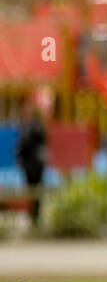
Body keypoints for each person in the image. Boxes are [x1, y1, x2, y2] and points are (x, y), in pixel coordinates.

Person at [15, 97, 48, 226]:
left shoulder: (34, 126)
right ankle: (34, 215)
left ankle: (35, 216)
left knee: (34, 189)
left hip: (33, 163)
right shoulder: (31, 125)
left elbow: (27, 143)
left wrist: (21, 155)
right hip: (33, 163)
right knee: (32, 189)